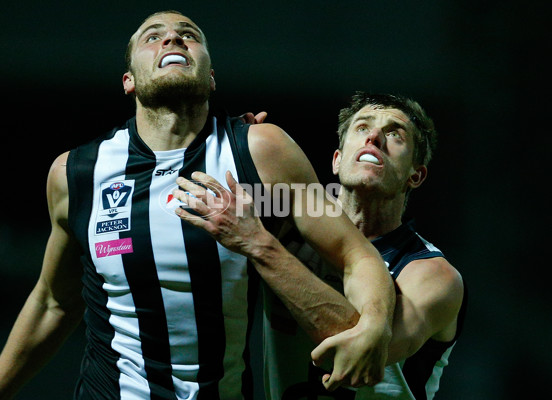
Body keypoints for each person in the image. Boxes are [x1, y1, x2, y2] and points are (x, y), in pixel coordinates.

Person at [0, 12, 396, 400]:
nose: (173, 38)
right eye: (152, 37)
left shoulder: (263, 151)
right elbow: (54, 302)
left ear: (210, 77)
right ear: (129, 80)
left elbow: (356, 254)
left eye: (188, 36)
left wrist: (375, 322)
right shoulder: (76, 174)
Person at [175, 91, 466, 399]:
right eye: (362, 127)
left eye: (395, 134)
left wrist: (260, 245)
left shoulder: (433, 275)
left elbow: (362, 356)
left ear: (415, 175)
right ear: (337, 160)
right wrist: (245, 152)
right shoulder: (285, 228)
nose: (375, 137)